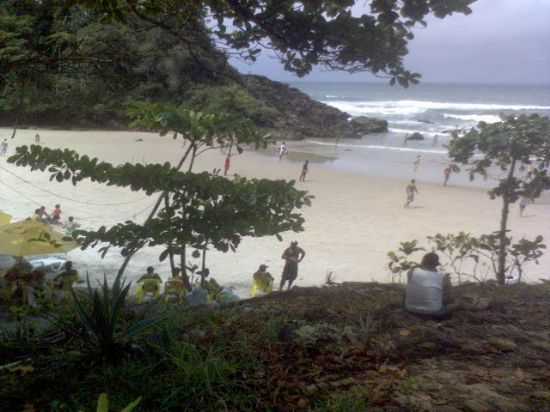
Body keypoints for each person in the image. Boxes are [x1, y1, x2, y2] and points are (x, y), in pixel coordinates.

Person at [405, 252, 452, 319]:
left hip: (410, 309)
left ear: (423, 262)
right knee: (458, 305)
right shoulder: (444, 277)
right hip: (434, 312)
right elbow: (448, 298)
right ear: (436, 264)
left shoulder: (411, 272)